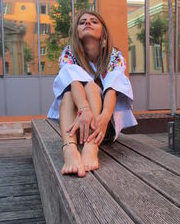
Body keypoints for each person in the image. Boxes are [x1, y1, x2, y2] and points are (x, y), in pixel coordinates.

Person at [48, 10, 137, 177]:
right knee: (69, 93)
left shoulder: (114, 56)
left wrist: (103, 117)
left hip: (103, 127)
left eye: (93, 21)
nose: (87, 23)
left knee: (91, 86)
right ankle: (69, 149)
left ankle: (91, 146)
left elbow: (112, 89)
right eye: (82, 22)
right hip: (78, 124)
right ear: (77, 32)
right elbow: (73, 80)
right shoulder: (69, 54)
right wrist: (85, 109)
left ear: (103, 31)